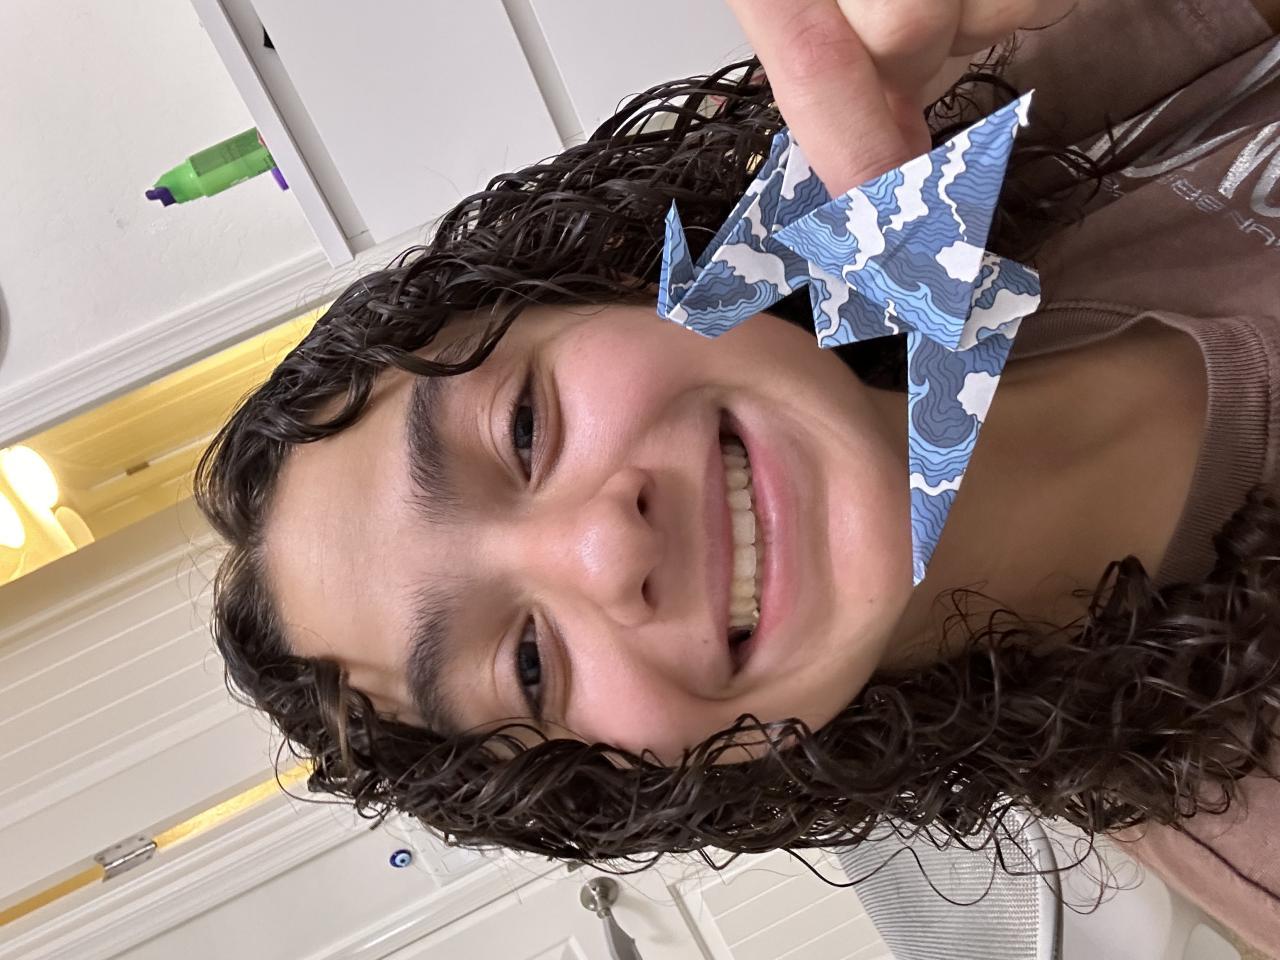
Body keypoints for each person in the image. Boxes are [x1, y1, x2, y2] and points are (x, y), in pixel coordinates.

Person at [195, 0, 1280, 950]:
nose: (606, 544)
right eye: (527, 665)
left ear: (604, 286)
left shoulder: (998, 130)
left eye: (523, 429)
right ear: (656, 780)